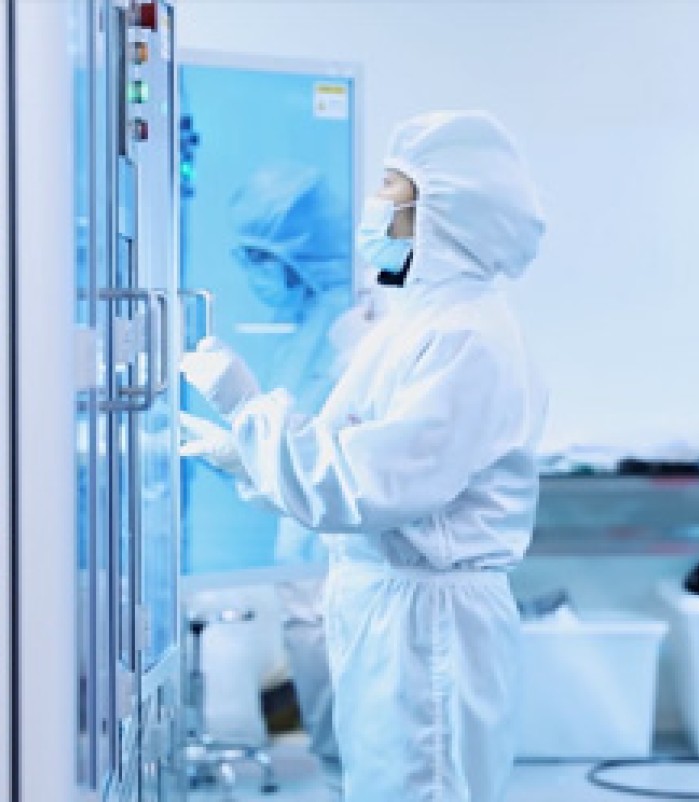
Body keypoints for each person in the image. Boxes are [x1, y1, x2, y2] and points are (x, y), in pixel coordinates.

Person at [181, 110, 547, 801]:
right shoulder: (417, 320)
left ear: (444, 209)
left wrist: (247, 410)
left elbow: (366, 486)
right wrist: (245, 458)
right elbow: (345, 449)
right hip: (388, 608)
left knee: (420, 786)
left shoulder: (465, 337)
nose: (372, 205)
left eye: (389, 186)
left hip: (429, 624)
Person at [181, 162, 375, 795]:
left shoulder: (351, 337)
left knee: (354, 731)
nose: (250, 271)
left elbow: (327, 460)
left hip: (337, 561)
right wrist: (240, 457)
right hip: (308, 554)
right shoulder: (310, 330)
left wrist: (245, 423)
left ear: (300, 258)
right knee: (324, 711)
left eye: (257, 257)